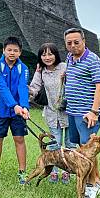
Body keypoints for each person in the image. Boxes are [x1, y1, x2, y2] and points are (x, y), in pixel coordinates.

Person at [63, 27, 100, 198]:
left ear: (84, 41)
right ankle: (97, 179)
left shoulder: (93, 60)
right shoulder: (69, 58)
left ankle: (92, 185)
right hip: (73, 112)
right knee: (82, 148)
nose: (73, 46)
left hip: (87, 114)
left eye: (76, 42)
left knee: (87, 151)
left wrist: (94, 112)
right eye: (69, 43)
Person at [0, 36, 30, 185]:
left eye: (15, 50)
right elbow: (2, 87)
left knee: (19, 139)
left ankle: (23, 172)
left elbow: (22, 87)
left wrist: (24, 106)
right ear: (3, 50)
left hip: (18, 110)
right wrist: (14, 105)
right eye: (9, 50)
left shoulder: (23, 68)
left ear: (20, 52)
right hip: (0, 110)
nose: (12, 53)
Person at [28, 42, 73, 184]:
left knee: (69, 144)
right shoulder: (41, 71)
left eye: (50, 53)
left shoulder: (65, 67)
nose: (47, 57)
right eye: (43, 54)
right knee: (55, 143)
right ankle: (53, 171)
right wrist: (25, 92)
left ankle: (68, 171)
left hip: (69, 111)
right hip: (52, 113)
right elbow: (34, 88)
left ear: (55, 55)